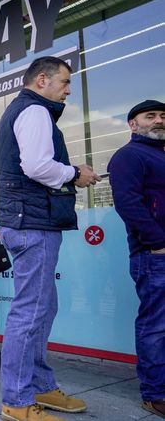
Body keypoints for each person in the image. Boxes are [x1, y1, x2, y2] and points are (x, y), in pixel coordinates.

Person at [0, 56, 101, 421]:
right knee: (30, 311)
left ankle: (39, 385)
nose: (68, 90)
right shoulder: (35, 110)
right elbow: (37, 165)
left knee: (42, 308)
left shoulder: (26, 110)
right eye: (65, 82)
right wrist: (76, 173)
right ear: (42, 80)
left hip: (29, 221)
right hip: (33, 224)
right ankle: (17, 399)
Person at [108, 99, 165, 419]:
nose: (158, 120)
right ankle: (155, 393)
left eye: (162, 116)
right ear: (133, 124)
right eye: (150, 116)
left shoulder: (161, 155)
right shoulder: (129, 156)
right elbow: (128, 203)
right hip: (154, 255)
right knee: (156, 327)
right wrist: (158, 243)